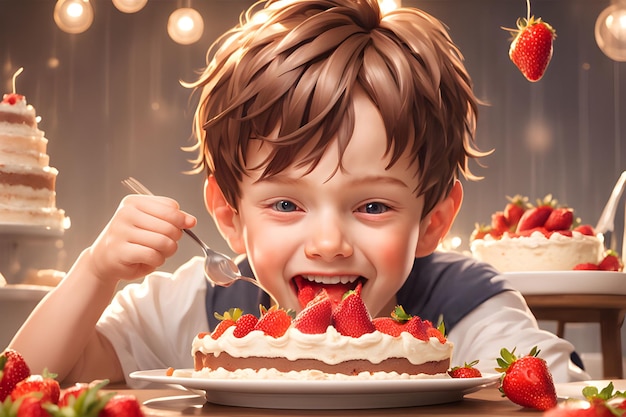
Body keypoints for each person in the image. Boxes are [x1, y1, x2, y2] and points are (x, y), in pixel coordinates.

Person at [10, 0, 588, 385]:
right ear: (229, 218)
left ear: (434, 221)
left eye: (373, 206)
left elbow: (566, 393)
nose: (329, 242)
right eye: (286, 204)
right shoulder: (193, 303)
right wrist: (94, 273)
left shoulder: (467, 307)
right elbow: (30, 381)